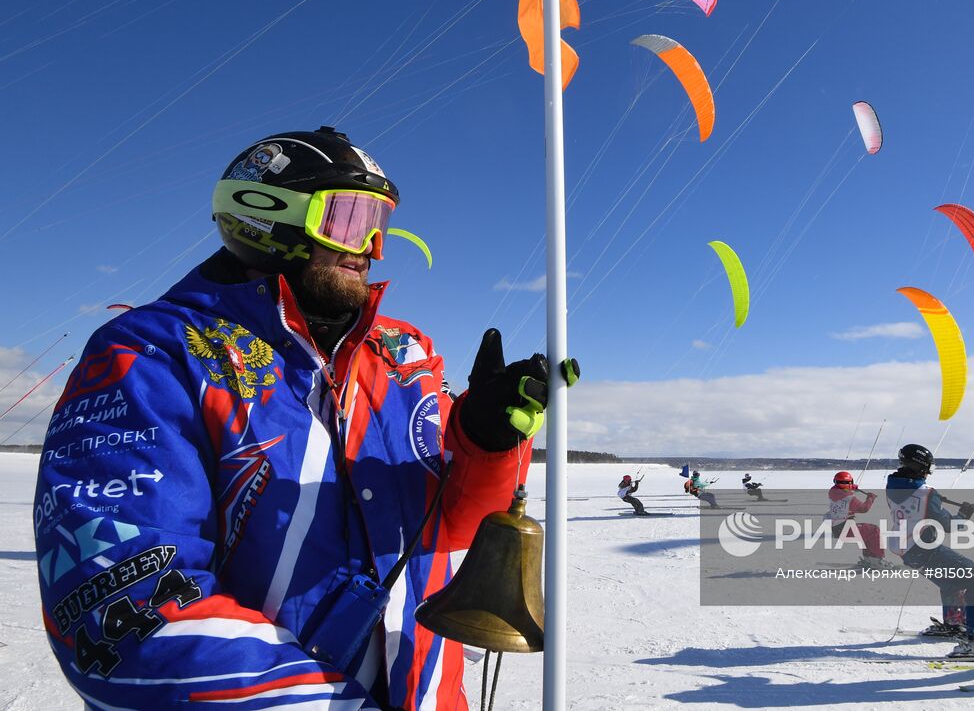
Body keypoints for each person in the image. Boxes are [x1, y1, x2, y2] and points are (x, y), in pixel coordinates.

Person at [34, 127, 578, 709]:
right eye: (348, 219)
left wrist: (483, 443)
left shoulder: (403, 358)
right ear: (264, 216)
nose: (371, 247)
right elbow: (124, 618)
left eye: (380, 222)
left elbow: (449, 532)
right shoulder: (151, 356)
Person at [886, 443, 974, 658]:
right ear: (919, 467)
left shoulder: (893, 485)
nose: (928, 473)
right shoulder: (926, 493)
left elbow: (915, 504)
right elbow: (950, 526)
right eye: (928, 469)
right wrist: (964, 514)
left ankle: (954, 622)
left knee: (951, 580)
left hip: (904, 548)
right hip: (922, 548)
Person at [825, 471, 888, 570]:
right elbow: (864, 509)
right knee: (874, 530)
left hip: (836, 528)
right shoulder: (848, 498)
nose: (848, 485)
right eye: (848, 483)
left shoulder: (833, 491)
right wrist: (870, 498)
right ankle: (877, 561)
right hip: (845, 527)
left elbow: (842, 486)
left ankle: (869, 559)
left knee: (867, 533)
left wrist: (852, 487)